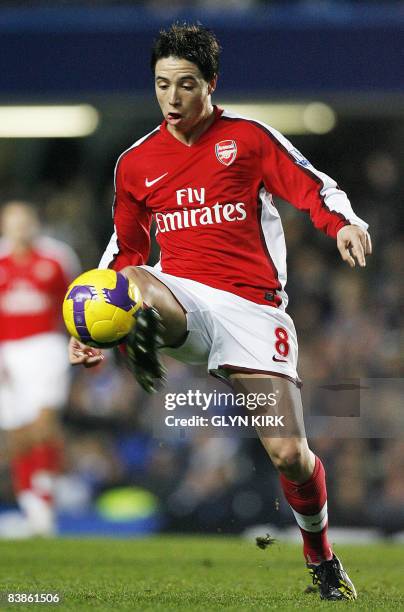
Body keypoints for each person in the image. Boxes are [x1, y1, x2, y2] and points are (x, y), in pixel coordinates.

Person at [69, 24, 372, 600]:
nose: (173, 98)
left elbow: (313, 188)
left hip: (254, 312)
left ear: (210, 84)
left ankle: (322, 559)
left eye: (186, 85)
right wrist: (89, 331)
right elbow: (124, 251)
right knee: (132, 278)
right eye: (162, 86)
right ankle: (136, 351)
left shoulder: (249, 139)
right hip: (183, 298)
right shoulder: (135, 164)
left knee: (290, 455)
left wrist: (345, 224)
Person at [0, 201, 80, 536]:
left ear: (35, 223)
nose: (20, 228)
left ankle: (45, 502)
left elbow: (78, 302)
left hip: (46, 346)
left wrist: (81, 342)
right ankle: (32, 508)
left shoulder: (56, 258)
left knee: (43, 424)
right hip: (7, 349)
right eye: (12, 222)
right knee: (17, 434)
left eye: (25, 221)